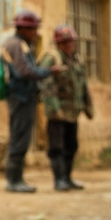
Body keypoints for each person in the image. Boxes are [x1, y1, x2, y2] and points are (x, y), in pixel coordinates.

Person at [0, 11, 64, 193]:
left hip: (24, 96)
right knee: (20, 136)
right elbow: (24, 72)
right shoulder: (17, 45)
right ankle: (13, 180)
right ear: (24, 29)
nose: (36, 33)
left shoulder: (22, 44)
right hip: (20, 97)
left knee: (21, 136)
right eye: (33, 29)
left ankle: (16, 179)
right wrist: (48, 72)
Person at [39, 25, 93, 192]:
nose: (68, 45)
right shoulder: (52, 59)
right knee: (56, 147)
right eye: (64, 42)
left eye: (70, 42)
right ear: (58, 44)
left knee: (72, 145)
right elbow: (45, 84)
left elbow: (83, 85)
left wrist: (88, 106)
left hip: (73, 111)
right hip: (57, 112)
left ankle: (68, 178)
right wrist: (54, 109)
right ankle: (59, 179)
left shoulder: (78, 60)